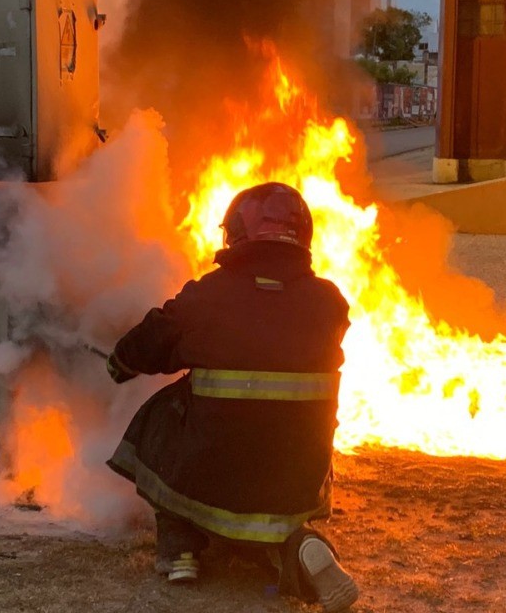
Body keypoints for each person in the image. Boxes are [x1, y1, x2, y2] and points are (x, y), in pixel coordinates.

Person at [105, 181, 359, 612]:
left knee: (161, 412)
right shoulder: (330, 302)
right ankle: (299, 546)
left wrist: (119, 364)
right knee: (270, 528)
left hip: (217, 470)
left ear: (235, 233)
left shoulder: (208, 295)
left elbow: (152, 341)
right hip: (297, 477)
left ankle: (179, 546)